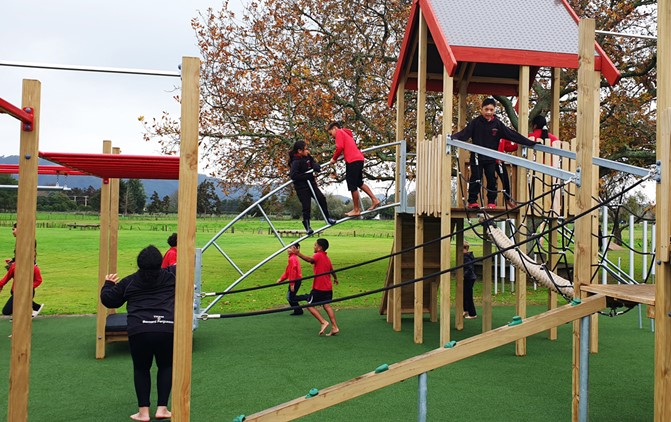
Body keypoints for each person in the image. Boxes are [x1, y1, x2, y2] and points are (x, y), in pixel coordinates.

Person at [101, 245, 175, 422]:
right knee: (165, 366)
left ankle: (143, 412)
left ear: (139, 265)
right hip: (165, 327)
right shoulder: (171, 276)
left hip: (139, 330)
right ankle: (162, 408)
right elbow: (183, 270)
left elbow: (109, 300)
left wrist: (108, 284)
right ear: (160, 264)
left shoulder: (130, 281)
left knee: (141, 368)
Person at [452, 98, 538, 209]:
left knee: (492, 179)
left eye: (491, 110)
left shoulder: (497, 124)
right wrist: (453, 138)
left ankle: (491, 201)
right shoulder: (476, 123)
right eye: (486, 109)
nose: (488, 112)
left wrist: (528, 142)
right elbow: (464, 134)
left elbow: (512, 134)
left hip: (491, 158)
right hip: (477, 157)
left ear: (494, 110)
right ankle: (472, 201)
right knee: (475, 178)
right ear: (481, 109)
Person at [327, 121, 380, 216]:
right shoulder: (346, 134)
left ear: (335, 128)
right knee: (359, 182)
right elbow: (346, 146)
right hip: (359, 159)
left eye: (331, 134)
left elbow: (339, 147)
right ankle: (375, 199)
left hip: (352, 161)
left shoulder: (339, 132)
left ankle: (356, 209)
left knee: (352, 184)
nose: (332, 137)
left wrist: (334, 159)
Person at [289, 238, 340, 336]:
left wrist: (298, 254)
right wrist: (335, 278)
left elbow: (310, 260)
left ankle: (323, 322)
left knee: (309, 305)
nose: (314, 247)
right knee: (327, 305)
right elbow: (332, 270)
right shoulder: (326, 258)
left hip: (319, 287)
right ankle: (335, 327)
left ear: (320, 248)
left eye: (315, 245)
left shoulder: (318, 255)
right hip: (328, 287)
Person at [289, 140, 337, 235]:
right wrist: (308, 176)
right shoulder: (295, 162)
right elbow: (294, 176)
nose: (308, 151)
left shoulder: (308, 157)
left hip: (312, 184)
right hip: (302, 187)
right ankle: (307, 226)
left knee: (321, 198)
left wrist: (315, 167)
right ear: (299, 151)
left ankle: (327, 217)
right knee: (306, 207)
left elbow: (313, 164)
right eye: (306, 149)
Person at [0, 251, 44, 317]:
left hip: (28, 291)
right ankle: (35, 307)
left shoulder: (34, 268)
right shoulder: (14, 266)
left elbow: (38, 280)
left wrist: (27, 287)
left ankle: (31, 309)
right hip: (15, 291)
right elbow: (6, 278)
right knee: (6, 311)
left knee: (6, 311)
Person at [276, 242, 305, 315]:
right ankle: (298, 310)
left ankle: (305, 299)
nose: (288, 249)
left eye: (290, 248)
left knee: (290, 297)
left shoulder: (292, 259)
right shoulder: (292, 258)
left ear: (295, 249)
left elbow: (292, 272)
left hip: (295, 280)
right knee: (290, 296)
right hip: (296, 280)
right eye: (288, 248)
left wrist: (292, 284)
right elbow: (288, 271)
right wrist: (281, 279)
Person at [462, 242, 478, 319]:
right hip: (470, 277)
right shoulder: (468, 255)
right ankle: (466, 309)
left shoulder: (466, 257)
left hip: (469, 278)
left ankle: (472, 313)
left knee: (468, 295)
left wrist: (463, 275)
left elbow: (469, 268)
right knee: (464, 294)